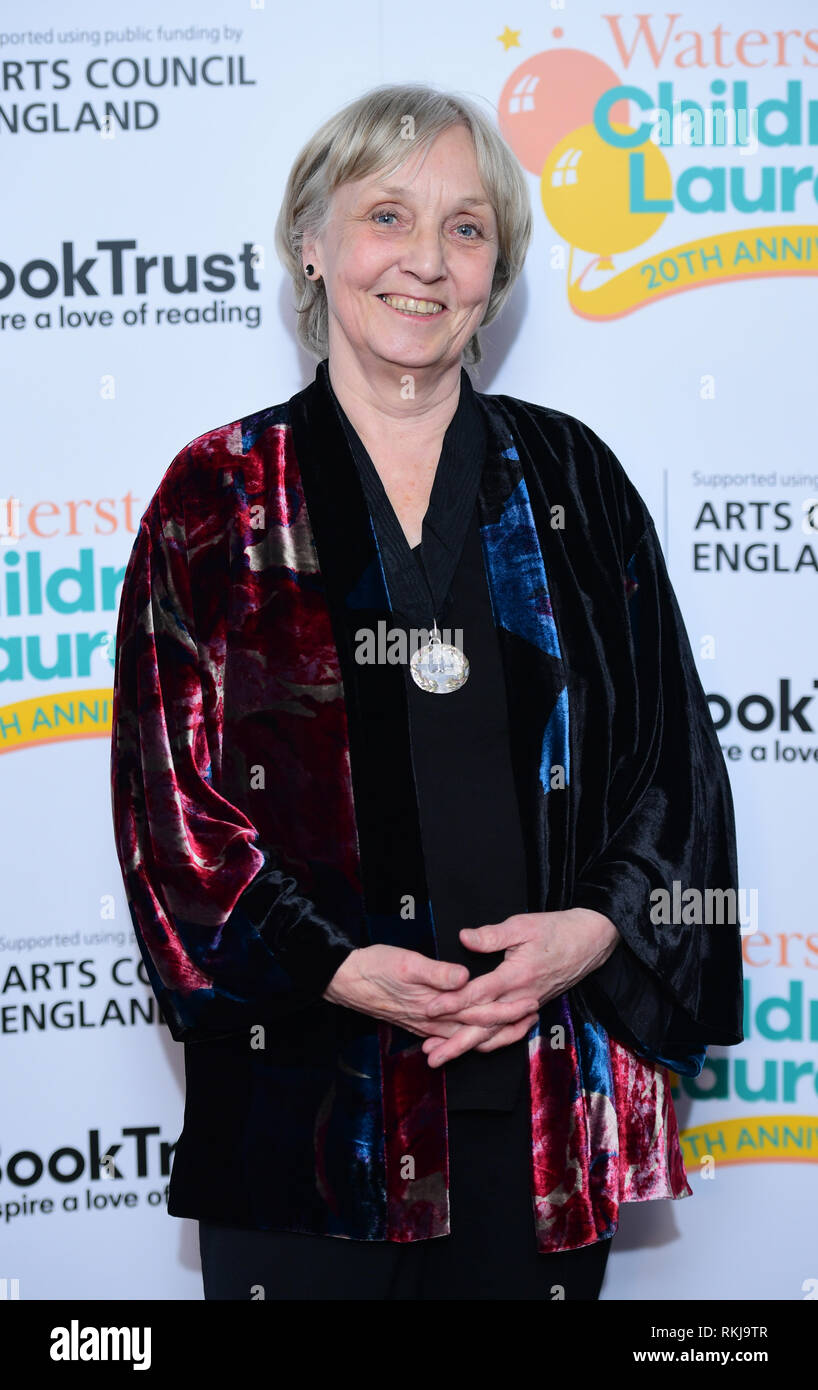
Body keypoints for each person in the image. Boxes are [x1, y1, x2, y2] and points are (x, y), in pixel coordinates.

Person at [110, 83, 744, 1301]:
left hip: (535, 1107)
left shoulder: (574, 480)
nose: (424, 261)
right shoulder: (218, 497)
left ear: (495, 267)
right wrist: (336, 965)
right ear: (312, 241)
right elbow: (167, 813)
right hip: (306, 1122)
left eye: (464, 228)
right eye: (386, 215)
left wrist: (594, 931)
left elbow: (673, 766)